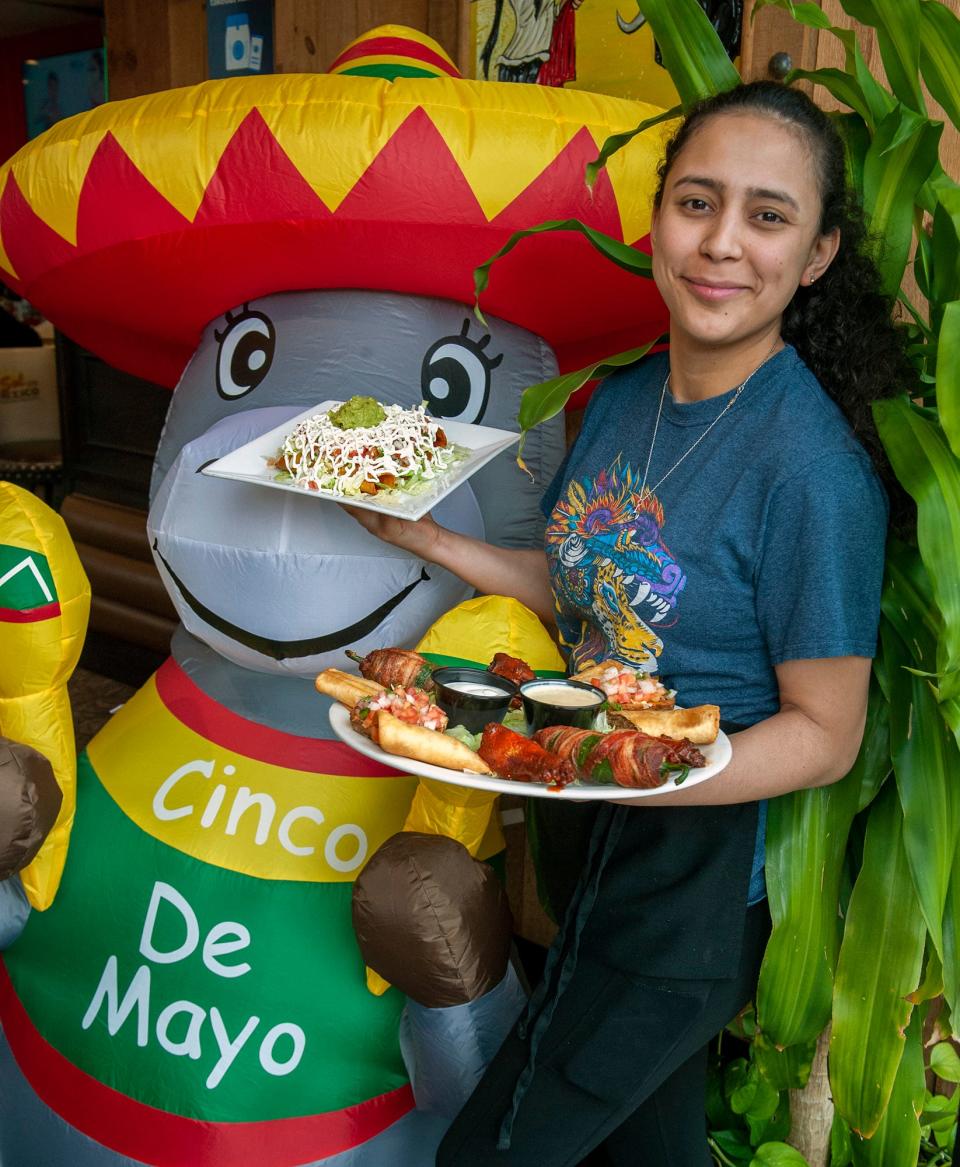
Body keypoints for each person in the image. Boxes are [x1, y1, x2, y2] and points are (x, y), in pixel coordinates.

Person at [345, 80, 914, 1165]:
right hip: (586, 836)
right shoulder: (620, 403)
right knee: (642, 1151)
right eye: (698, 203)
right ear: (658, 220)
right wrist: (431, 541)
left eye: (768, 215)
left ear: (819, 254)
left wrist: (645, 767)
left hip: (688, 893)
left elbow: (826, 733)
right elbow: (589, 591)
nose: (723, 245)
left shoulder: (810, 470)